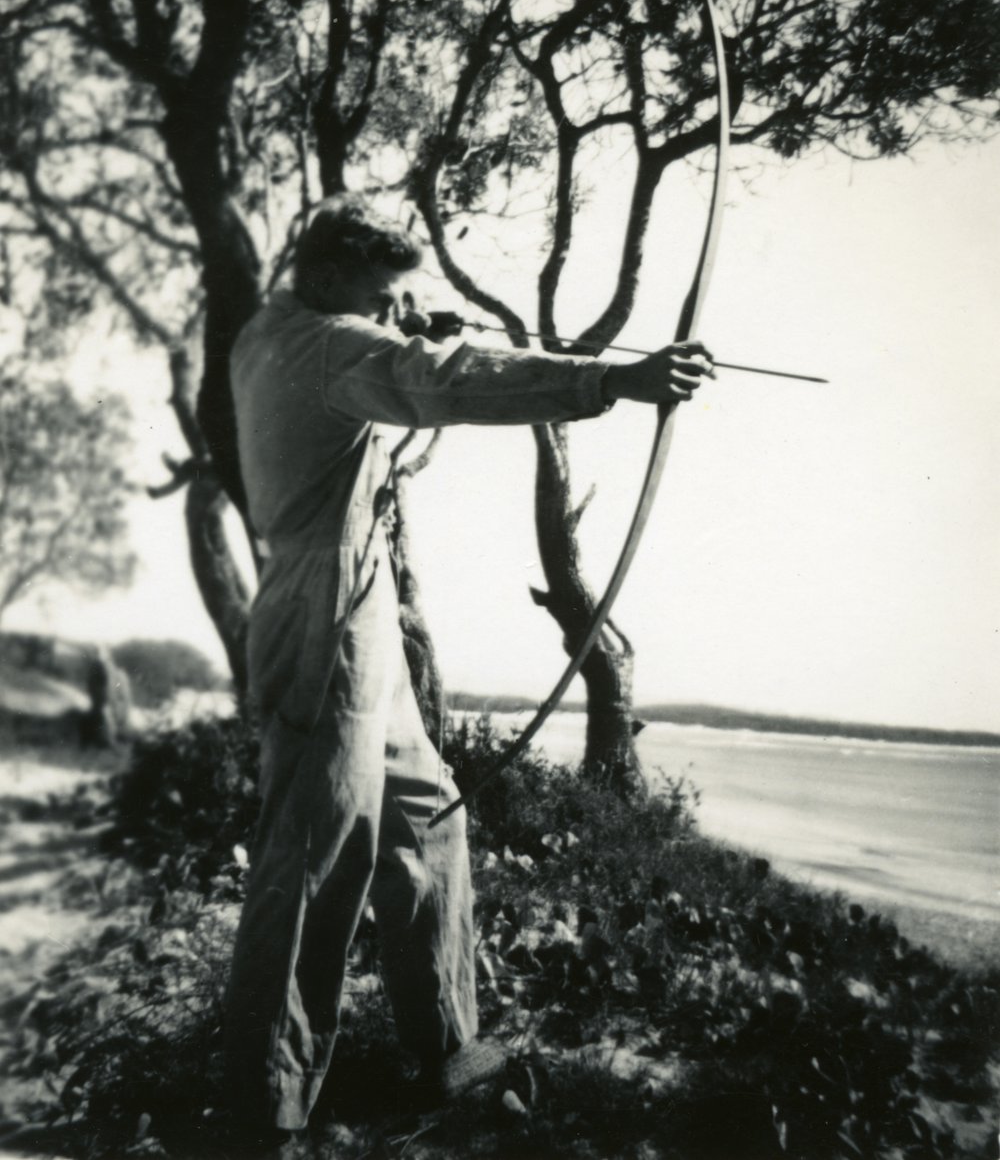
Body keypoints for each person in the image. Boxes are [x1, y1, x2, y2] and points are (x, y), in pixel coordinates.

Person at [223, 198, 713, 1153]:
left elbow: (385, 356)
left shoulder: (273, 330)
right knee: (318, 853)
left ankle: (446, 1046)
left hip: (347, 602)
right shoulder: (332, 348)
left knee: (425, 817)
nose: (397, 304)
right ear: (330, 279)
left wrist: (392, 321)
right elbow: (438, 379)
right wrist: (612, 378)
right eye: (383, 289)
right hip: (322, 611)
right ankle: (265, 1113)